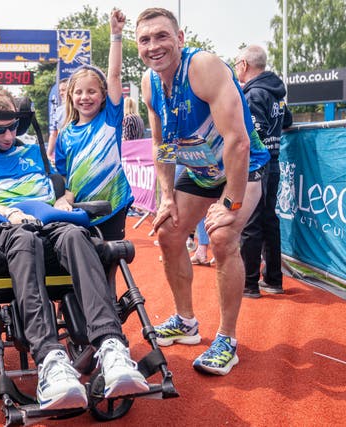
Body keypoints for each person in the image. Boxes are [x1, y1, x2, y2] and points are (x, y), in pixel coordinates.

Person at [0, 86, 149, 411]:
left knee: (77, 235)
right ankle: (49, 360)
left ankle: (111, 346)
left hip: (51, 226)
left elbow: (63, 187)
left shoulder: (33, 151)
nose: (7, 135)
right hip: (7, 231)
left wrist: (65, 201)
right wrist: (11, 213)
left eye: (13, 127)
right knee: (25, 238)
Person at [137, 7, 270, 375]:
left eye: (162, 36)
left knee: (224, 236)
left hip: (241, 166)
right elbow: (161, 144)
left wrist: (230, 201)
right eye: (145, 40)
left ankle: (226, 340)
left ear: (180, 39)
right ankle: (186, 321)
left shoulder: (203, 68)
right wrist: (165, 195)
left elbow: (239, 142)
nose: (154, 46)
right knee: (168, 230)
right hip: (198, 170)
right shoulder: (149, 84)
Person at [55, 9, 133, 241]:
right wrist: (63, 199)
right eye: (79, 92)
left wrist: (115, 36)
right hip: (78, 211)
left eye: (92, 91)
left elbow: (115, 76)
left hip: (113, 205)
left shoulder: (110, 119)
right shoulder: (65, 134)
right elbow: (62, 175)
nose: (85, 97)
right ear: (70, 97)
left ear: (103, 96)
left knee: (110, 262)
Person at [235, 45, 292, 298]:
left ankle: (248, 284)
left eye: (237, 63)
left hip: (258, 166)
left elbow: (252, 134)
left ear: (245, 64)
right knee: (269, 219)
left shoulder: (253, 94)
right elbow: (287, 121)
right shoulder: (276, 92)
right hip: (275, 163)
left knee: (252, 222)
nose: (236, 68)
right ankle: (273, 280)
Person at [46, 78, 68, 161]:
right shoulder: (59, 111)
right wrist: (48, 154)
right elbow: (54, 133)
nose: (61, 93)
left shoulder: (81, 109)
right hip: (63, 152)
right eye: (60, 91)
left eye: (63, 90)